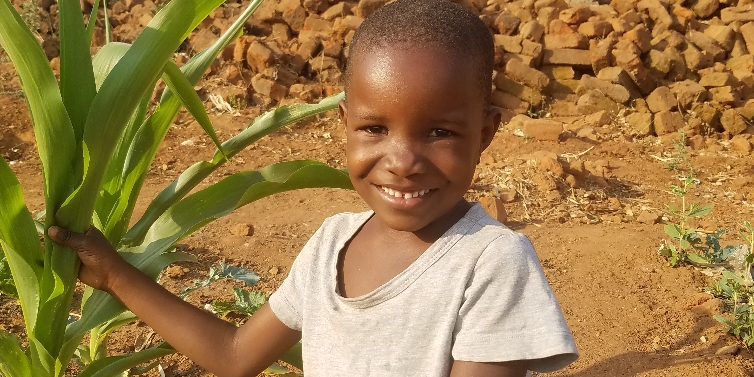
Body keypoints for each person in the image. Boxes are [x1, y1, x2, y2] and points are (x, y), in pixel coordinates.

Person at [49, 0, 578, 376]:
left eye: (439, 132)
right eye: (375, 129)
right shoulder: (331, 244)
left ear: (485, 133)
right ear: (344, 123)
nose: (402, 162)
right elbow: (235, 355)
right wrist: (117, 275)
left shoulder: (492, 263)